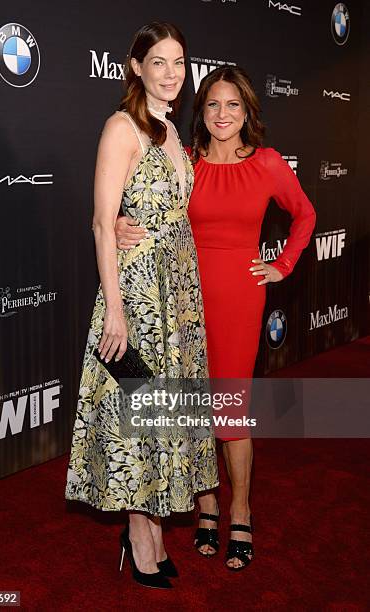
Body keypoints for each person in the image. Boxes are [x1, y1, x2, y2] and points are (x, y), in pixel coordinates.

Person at [115, 65, 316, 571]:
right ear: (199, 112)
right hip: (184, 296)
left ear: (247, 110)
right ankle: (206, 509)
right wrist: (120, 224)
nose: (222, 114)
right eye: (212, 105)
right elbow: (149, 206)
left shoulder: (267, 163)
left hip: (239, 300)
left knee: (230, 409)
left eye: (232, 105)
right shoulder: (185, 162)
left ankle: (240, 509)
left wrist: (282, 264)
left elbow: (305, 214)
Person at [65, 22, 218, 589]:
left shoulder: (174, 133)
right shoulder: (121, 128)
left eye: (179, 62)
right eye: (159, 62)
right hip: (135, 293)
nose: (172, 73)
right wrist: (115, 310)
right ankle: (138, 533)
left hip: (177, 293)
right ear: (136, 67)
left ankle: (151, 526)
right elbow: (105, 223)